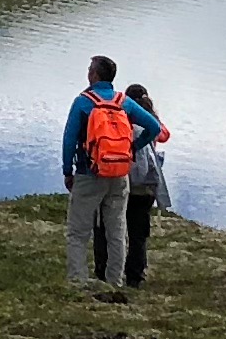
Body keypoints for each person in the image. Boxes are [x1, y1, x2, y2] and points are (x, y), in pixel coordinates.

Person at [60, 53, 136, 298]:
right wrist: (131, 150)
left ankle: (78, 282)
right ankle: (115, 283)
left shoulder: (83, 102)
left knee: (78, 232)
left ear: (94, 75)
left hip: (89, 173)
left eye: (89, 69)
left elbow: (69, 139)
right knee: (116, 231)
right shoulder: (123, 101)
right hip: (119, 175)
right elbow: (154, 127)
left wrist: (67, 171)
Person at [120, 77, 172, 290]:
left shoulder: (125, 120)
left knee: (118, 228)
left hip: (125, 180)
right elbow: (165, 135)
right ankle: (136, 275)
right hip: (147, 186)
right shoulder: (151, 122)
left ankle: (116, 269)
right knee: (139, 233)